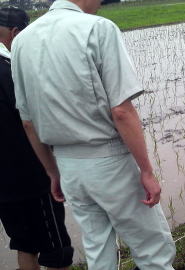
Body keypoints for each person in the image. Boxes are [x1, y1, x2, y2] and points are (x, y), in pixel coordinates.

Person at [10, 0, 176, 269]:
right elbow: (121, 110)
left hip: (67, 166)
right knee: (151, 247)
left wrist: (53, 172)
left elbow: (28, 122)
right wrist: (146, 170)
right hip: (109, 160)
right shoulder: (99, 28)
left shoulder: (21, 41)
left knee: (98, 247)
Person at [0, 7, 73, 270]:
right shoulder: (10, 70)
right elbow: (31, 121)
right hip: (31, 179)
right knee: (57, 249)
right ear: (16, 33)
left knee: (24, 243)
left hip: (4, 186)